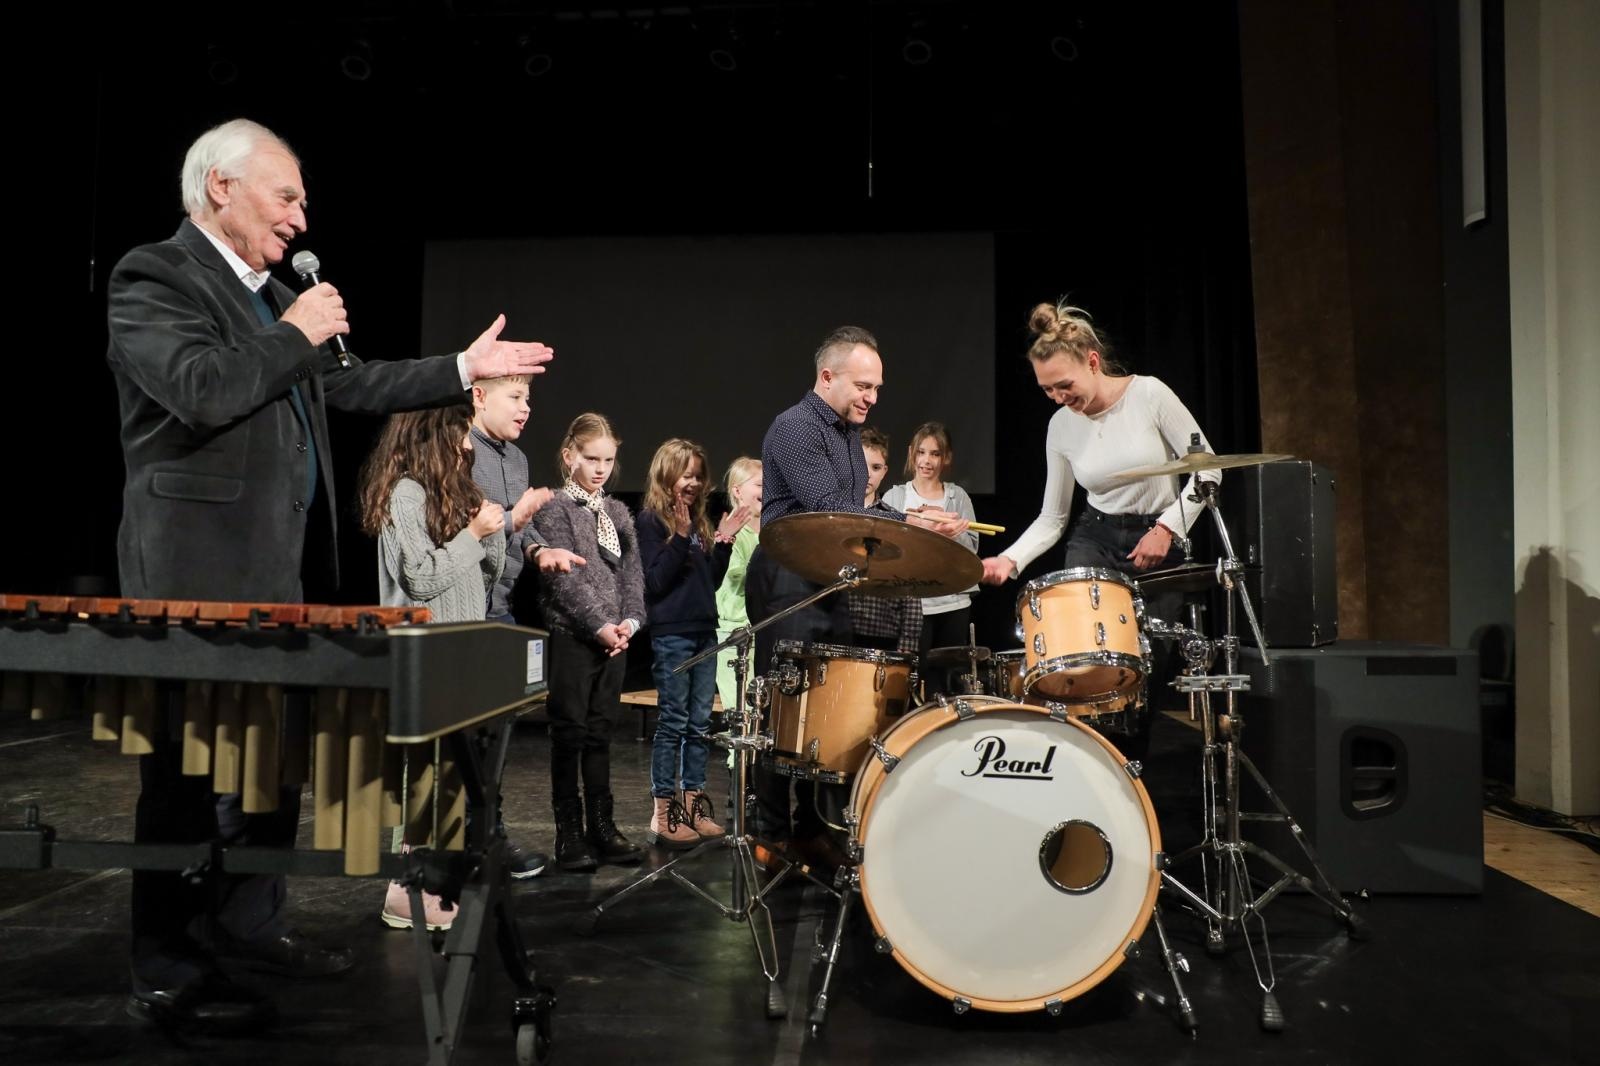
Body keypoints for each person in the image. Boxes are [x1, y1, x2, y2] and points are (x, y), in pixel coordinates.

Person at [107, 117, 554, 1034]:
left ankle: (249, 929)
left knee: (267, 769)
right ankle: (166, 962)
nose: (301, 215)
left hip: (278, 576)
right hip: (191, 573)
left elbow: (352, 386)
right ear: (221, 187)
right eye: (288, 195)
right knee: (185, 776)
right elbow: (198, 388)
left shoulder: (274, 295)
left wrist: (461, 368)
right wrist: (297, 329)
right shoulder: (153, 276)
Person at [746, 326, 966, 872]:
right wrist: (909, 520)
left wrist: (916, 521)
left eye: (877, 388)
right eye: (863, 386)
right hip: (786, 579)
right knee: (786, 708)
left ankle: (808, 828)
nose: (872, 397)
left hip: (826, 580)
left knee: (823, 714)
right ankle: (769, 833)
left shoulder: (845, 432)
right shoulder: (794, 427)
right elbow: (832, 509)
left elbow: (853, 505)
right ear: (827, 377)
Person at [979, 303, 1219, 744]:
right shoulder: (1060, 427)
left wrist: (1167, 528)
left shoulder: (1149, 395)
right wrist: (1008, 560)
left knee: (1143, 677)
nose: (1057, 397)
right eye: (1047, 389)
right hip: (1097, 538)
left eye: (1064, 385)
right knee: (1083, 666)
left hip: (1157, 539)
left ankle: (1136, 777)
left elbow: (1208, 472)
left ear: (1093, 361)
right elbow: (1053, 518)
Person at [358, 406, 507, 930]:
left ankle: (433, 881)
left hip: (458, 651)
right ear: (436, 438)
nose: (469, 447)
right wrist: (473, 535)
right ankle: (404, 891)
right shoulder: (406, 493)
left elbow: (486, 572)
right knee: (421, 776)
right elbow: (421, 579)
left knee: (448, 777)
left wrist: (493, 527)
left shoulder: (447, 492)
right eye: (463, 436)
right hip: (424, 653)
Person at [467, 373, 590, 879]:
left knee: (495, 735)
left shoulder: (515, 459)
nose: (525, 409)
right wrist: (517, 521)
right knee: (460, 740)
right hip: (459, 611)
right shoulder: (454, 451)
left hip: (499, 609)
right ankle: (451, 844)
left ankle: (489, 835)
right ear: (479, 396)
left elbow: (523, 529)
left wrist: (541, 549)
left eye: (528, 399)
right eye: (514, 398)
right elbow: (460, 531)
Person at [529, 413, 647, 871]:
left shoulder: (616, 512)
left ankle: (603, 827)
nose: (600, 468)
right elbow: (566, 581)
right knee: (570, 733)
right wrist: (599, 624)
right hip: (574, 637)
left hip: (614, 640)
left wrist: (630, 622)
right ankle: (570, 834)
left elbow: (632, 576)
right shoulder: (555, 509)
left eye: (608, 460)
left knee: (601, 734)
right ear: (569, 456)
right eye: (591, 458)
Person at [636, 439, 751, 847]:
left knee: (700, 724)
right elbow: (655, 583)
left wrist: (723, 544)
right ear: (667, 475)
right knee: (673, 722)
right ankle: (663, 811)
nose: (694, 482)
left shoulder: (700, 521)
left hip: (705, 631)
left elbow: (710, 583)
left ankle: (694, 801)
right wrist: (681, 537)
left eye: (699, 476)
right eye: (687, 474)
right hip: (672, 634)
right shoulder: (651, 522)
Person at [881, 421, 979, 660]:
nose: (927, 460)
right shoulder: (894, 496)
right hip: (910, 605)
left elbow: (972, 551)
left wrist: (953, 531)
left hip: (954, 601)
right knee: (913, 675)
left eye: (935, 454)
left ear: (946, 458)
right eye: (921, 452)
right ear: (911, 454)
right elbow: (886, 549)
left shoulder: (958, 497)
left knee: (949, 675)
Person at [850, 428, 922, 655]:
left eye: (876, 467)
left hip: (883, 636)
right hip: (835, 632)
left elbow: (909, 586)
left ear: (884, 471)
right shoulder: (831, 517)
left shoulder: (895, 522)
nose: (868, 474)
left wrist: (907, 645)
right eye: (861, 465)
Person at [713, 457, 763, 715]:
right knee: (740, 712)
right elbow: (733, 576)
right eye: (759, 485)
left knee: (759, 714)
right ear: (737, 490)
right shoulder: (731, 534)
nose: (766, 491)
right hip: (735, 632)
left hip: (762, 630)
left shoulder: (769, 531)